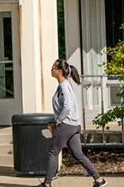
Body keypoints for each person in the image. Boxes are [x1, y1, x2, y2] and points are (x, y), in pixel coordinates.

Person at [42, 59, 107, 187]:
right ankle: (99, 179)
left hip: (66, 124)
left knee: (53, 152)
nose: (51, 70)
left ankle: (47, 184)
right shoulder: (65, 85)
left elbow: (67, 107)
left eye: (53, 68)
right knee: (78, 154)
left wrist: (58, 122)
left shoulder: (64, 86)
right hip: (74, 125)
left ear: (59, 71)